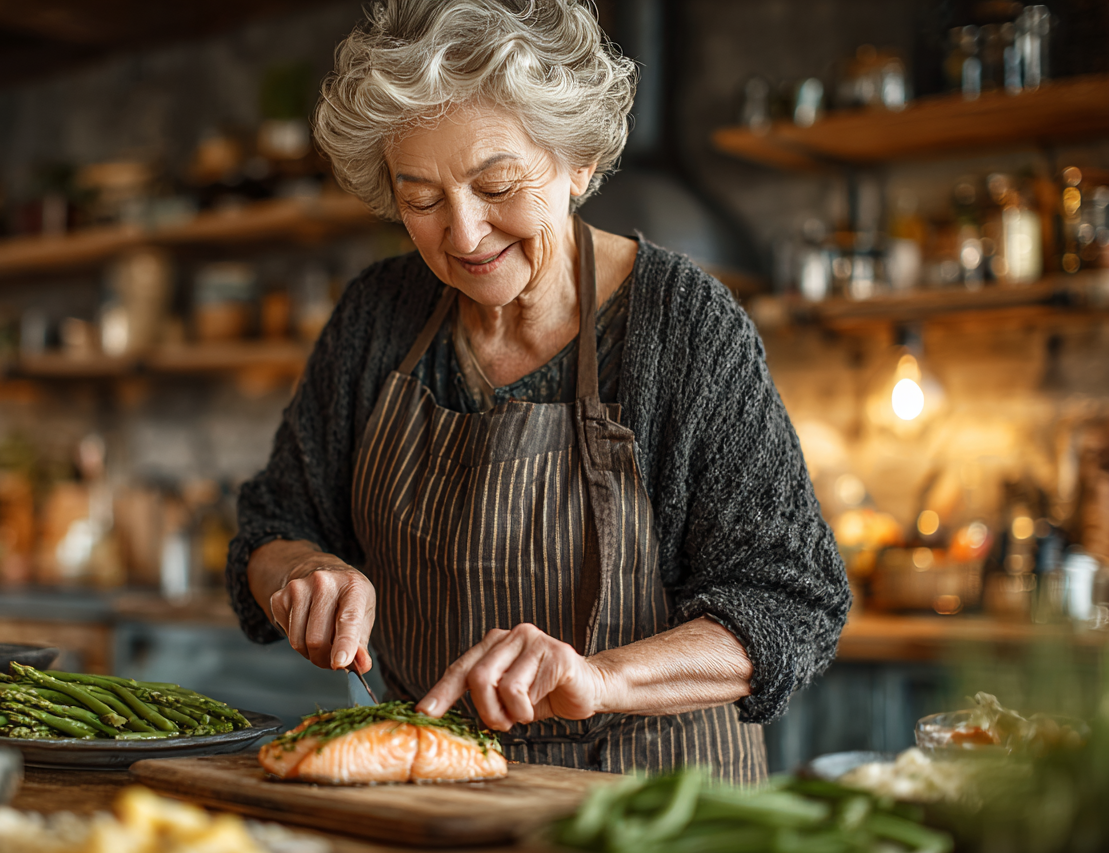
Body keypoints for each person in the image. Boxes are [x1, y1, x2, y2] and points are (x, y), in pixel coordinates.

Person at [227, 0, 850, 781]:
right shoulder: (378, 315)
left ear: (578, 163)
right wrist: (301, 573)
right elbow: (272, 525)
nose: (462, 234)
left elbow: (790, 602)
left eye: (498, 185)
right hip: (433, 788)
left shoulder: (681, 323)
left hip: (655, 810)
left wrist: (601, 678)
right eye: (420, 199)